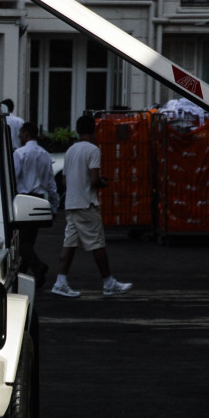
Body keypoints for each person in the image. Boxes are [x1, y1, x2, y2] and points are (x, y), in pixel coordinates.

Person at [51, 114, 132, 298]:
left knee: (70, 243)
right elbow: (94, 179)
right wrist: (103, 183)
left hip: (72, 202)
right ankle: (108, 282)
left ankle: (61, 281)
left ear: (78, 130)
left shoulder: (70, 150)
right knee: (97, 243)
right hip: (87, 203)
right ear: (94, 130)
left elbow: (64, 180)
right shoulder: (93, 150)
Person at [13, 122, 57, 288]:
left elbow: (14, 177)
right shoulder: (44, 154)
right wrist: (53, 206)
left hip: (22, 198)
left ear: (25, 134)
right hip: (38, 199)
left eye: (20, 133)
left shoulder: (20, 153)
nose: (18, 136)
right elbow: (51, 183)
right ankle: (25, 275)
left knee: (22, 242)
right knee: (29, 240)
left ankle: (36, 266)